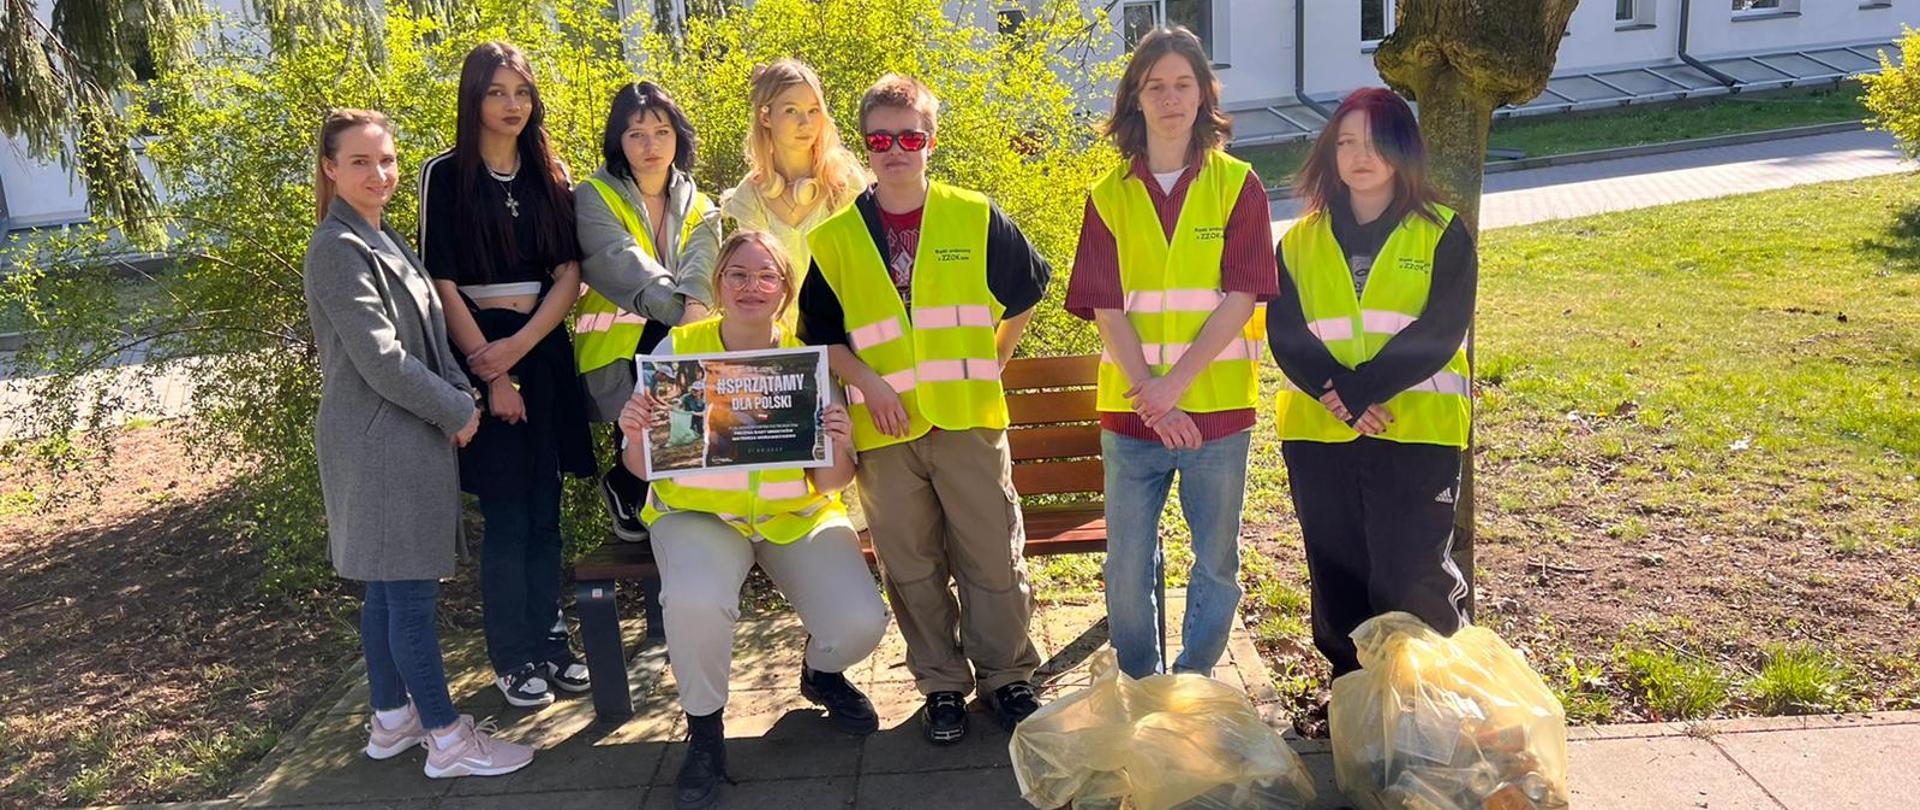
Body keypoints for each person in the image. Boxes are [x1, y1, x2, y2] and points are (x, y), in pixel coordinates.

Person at [799, 74, 1052, 745]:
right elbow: (819, 337)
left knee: (992, 558)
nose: (895, 149)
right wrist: (871, 385)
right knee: (911, 566)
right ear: (865, 145)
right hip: (884, 433)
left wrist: (996, 356)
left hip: (967, 419)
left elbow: (1029, 288)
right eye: (880, 138)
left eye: (909, 136)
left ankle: (1006, 676)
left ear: (930, 141)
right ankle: (941, 685)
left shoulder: (973, 214)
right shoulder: (836, 239)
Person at [619, 231, 888, 810]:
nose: (751, 287)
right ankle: (706, 734)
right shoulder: (680, 351)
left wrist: (840, 442)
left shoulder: (806, 359)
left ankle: (821, 674)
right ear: (717, 284)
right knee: (695, 602)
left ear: (784, 290)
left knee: (862, 623)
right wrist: (636, 430)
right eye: (737, 275)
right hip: (700, 516)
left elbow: (832, 482)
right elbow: (644, 466)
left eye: (766, 276)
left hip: (795, 516)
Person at [303, 108, 533, 778]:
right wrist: (458, 407)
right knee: (409, 599)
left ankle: (392, 718)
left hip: (397, 438)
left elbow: (426, 339)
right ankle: (446, 740)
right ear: (329, 168)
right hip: (381, 446)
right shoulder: (338, 250)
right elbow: (383, 360)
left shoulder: (379, 235)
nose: (379, 174)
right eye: (360, 162)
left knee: (385, 589)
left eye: (387, 160)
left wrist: (455, 395)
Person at [1064, 25, 1277, 680]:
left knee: (1215, 563)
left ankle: (1191, 686)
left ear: (1203, 95)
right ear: (1136, 99)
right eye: (1155, 85)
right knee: (1126, 568)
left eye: (1183, 83)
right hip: (1132, 418)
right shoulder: (1109, 197)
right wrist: (1154, 402)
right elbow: (1108, 309)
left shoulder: (1238, 186)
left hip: (1215, 413)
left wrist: (1171, 390)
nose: (1170, 97)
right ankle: (1143, 684)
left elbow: (1242, 298)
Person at [1266, 86, 1477, 678]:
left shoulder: (1441, 233)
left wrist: (1361, 392)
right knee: (1338, 579)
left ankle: (1424, 701)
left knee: (1412, 576)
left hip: (1414, 433)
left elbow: (1442, 329)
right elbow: (1286, 334)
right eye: (1346, 143)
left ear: (1403, 150)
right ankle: (1354, 699)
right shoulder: (1300, 240)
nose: (1360, 156)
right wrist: (1340, 396)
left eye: (1375, 142)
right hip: (1319, 437)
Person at [419, 41, 596, 710]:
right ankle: (512, 654)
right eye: (496, 92)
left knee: (547, 511)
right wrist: (492, 373)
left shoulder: (550, 170)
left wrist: (522, 346)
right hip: (481, 348)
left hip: (541, 346)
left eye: (521, 91)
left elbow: (570, 275)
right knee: (508, 514)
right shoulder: (444, 174)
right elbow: (440, 278)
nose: (511, 104)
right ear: (473, 98)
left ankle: (553, 640)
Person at [575, 81, 721, 544]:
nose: (650, 145)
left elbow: (704, 261)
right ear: (617, 139)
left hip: (680, 344)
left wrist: (693, 316)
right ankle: (627, 484)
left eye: (661, 131)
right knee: (651, 449)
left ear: (679, 136)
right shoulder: (594, 195)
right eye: (636, 133)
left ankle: (672, 511)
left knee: (687, 455)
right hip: (620, 351)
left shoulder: (700, 203)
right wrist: (688, 322)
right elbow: (622, 264)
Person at [718, 58, 866, 284]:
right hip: (775, 319)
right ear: (765, 117)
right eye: (791, 110)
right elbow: (756, 282)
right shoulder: (750, 196)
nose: (805, 122)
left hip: (841, 318)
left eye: (813, 110)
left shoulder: (845, 182)